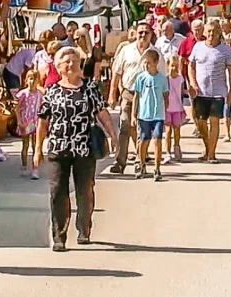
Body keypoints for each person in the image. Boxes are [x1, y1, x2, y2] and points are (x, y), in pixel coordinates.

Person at [33, 47, 116, 251]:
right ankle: (59, 236)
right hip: (58, 148)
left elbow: (102, 112)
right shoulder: (52, 91)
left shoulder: (89, 88)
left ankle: (84, 229)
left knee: (84, 190)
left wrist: (112, 134)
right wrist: (37, 149)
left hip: (84, 147)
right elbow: (43, 123)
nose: (71, 65)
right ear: (58, 67)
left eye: (75, 61)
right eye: (66, 61)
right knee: (58, 192)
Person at [108, 22, 159, 174]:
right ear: (136, 34)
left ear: (151, 35)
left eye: (146, 33)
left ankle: (140, 161)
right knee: (124, 127)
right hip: (128, 93)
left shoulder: (155, 53)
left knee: (142, 130)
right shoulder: (126, 50)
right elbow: (116, 72)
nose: (143, 35)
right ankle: (120, 162)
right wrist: (112, 94)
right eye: (140, 32)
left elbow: (163, 76)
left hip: (147, 95)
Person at [188, 21, 231, 163]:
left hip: (218, 92)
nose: (211, 34)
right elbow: (191, 66)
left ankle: (212, 154)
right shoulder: (198, 47)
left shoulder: (225, 50)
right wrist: (192, 83)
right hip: (201, 91)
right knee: (201, 122)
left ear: (219, 32)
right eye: (209, 31)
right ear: (204, 32)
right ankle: (207, 147)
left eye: (214, 31)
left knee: (214, 122)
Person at [131, 50, 169, 181]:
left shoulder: (162, 79)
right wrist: (133, 115)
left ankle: (157, 168)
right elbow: (136, 96)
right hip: (144, 115)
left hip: (158, 115)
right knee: (143, 140)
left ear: (156, 63)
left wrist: (165, 111)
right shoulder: (141, 78)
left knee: (157, 140)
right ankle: (141, 164)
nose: (147, 66)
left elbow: (166, 96)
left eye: (149, 63)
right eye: (145, 63)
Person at [15, 70, 44, 179]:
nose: (32, 81)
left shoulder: (40, 94)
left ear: (38, 81)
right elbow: (17, 108)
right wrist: (19, 121)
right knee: (25, 145)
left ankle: (35, 168)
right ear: (26, 80)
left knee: (36, 145)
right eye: (30, 78)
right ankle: (24, 166)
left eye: (34, 79)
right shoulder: (23, 93)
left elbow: (42, 107)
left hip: (36, 122)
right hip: (25, 121)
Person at [165, 55, 187, 163]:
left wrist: (189, 92)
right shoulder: (165, 79)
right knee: (168, 131)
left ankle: (177, 147)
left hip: (177, 108)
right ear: (167, 66)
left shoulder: (180, 78)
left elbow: (181, 92)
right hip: (167, 109)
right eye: (172, 66)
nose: (174, 68)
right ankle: (167, 152)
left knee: (177, 131)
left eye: (176, 66)